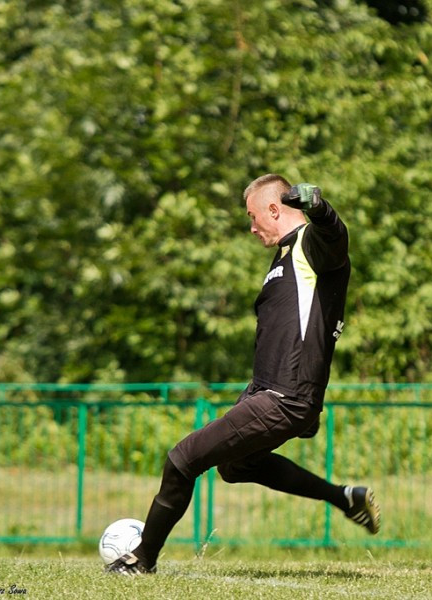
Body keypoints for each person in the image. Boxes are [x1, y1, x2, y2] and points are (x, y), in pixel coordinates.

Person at [107, 174, 380, 575]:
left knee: (181, 460)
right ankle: (344, 498)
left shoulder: (310, 244)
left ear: (275, 209)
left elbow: (337, 240)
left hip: (284, 396)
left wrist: (319, 207)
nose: (251, 228)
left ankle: (140, 560)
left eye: (254, 217)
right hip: (268, 393)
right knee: (236, 467)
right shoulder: (284, 258)